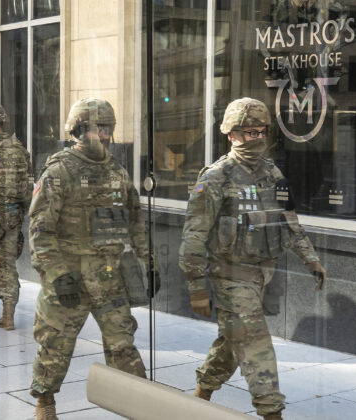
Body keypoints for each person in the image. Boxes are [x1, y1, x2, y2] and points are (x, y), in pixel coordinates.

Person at [179, 97, 327, 420]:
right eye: (249, 133)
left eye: (261, 132)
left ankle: (202, 392)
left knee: (233, 341)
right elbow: (193, 236)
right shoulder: (216, 177)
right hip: (230, 275)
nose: (257, 139)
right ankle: (272, 412)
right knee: (256, 343)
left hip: (263, 275)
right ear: (231, 134)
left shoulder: (272, 173)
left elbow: (289, 222)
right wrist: (196, 287)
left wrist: (311, 259)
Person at [28, 98, 152, 419]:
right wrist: (56, 276)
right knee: (56, 345)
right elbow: (40, 231)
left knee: (122, 344)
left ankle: (139, 405)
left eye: (109, 129)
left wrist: (148, 261)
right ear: (80, 131)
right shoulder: (59, 172)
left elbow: (136, 221)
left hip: (108, 277)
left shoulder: (116, 173)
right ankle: (45, 403)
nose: (107, 136)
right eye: (100, 130)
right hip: (68, 276)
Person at [0, 102, 33, 330]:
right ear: (3, 121)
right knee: (6, 264)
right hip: (13, 215)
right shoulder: (19, 149)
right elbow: (29, 186)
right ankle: (8, 316)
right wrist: (21, 212)